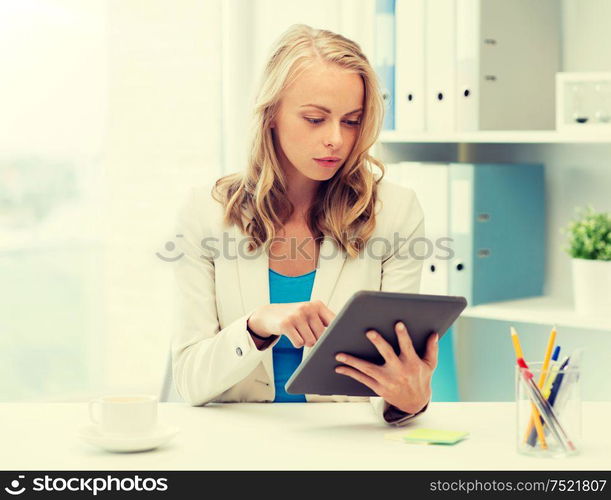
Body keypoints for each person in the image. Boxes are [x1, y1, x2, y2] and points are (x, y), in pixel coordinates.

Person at [171, 24, 438, 426]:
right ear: (271, 114)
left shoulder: (395, 211)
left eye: (351, 121)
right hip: (237, 440)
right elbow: (190, 382)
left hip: (344, 442)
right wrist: (257, 326)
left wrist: (408, 400)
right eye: (315, 119)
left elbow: (391, 379)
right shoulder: (205, 212)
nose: (336, 139)